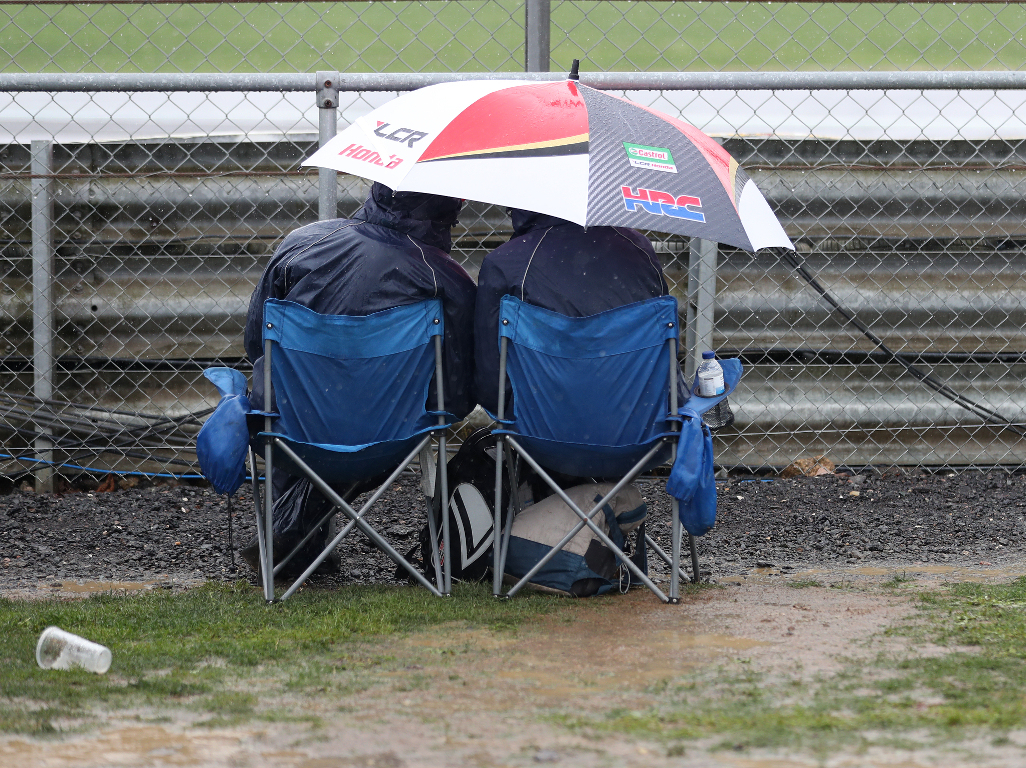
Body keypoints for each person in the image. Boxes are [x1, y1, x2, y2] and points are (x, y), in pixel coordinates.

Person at [241, 183, 476, 576]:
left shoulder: (302, 245)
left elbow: (255, 344)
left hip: (290, 433)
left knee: (292, 391)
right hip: (390, 439)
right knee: (388, 417)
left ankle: (296, 540)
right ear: (450, 209)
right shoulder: (447, 279)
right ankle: (299, 529)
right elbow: (461, 387)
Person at [474, 209, 682, 416]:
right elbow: (663, 345)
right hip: (641, 427)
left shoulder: (505, 262)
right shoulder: (639, 250)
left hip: (537, 432)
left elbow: (491, 382)